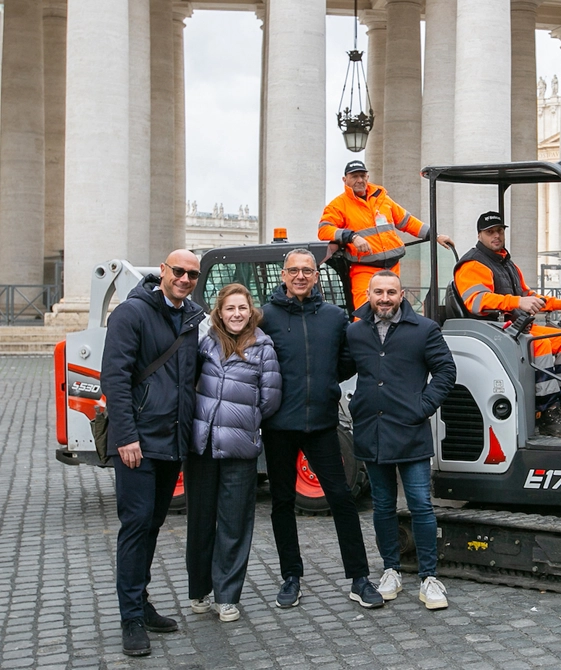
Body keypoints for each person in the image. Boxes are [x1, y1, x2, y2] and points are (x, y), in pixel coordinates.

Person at [259, 248, 384, 609]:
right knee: (282, 502)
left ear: (316, 276)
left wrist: (324, 383)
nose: (300, 276)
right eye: (293, 270)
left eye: (307, 271)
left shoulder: (333, 317)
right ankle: (291, 577)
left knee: (342, 500)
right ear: (283, 276)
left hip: (323, 424)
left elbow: (344, 363)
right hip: (279, 425)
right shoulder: (265, 317)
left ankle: (359, 579)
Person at [100, 249, 204, 657]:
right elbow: (116, 376)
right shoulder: (131, 314)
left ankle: (140, 602)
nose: (184, 278)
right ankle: (130, 618)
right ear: (162, 271)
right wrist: (125, 436)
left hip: (172, 440)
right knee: (136, 525)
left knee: (153, 524)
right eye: (178, 271)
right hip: (137, 442)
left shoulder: (192, 317)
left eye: (192, 274)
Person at [342, 271, 457, 610]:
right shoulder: (355, 331)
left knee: (421, 504)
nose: (385, 298)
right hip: (372, 431)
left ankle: (429, 577)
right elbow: (343, 368)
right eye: (378, 292)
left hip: (409, 430)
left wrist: (421, 406)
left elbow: (446, 371)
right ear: (369, 294)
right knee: (382, 505)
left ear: (402, 293)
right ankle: (390, 569)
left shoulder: (424, 329)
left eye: (391, 292)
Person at [187, 284, 282, 623]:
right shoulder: (206, 344)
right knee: (200, 521)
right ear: (220, 312)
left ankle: (227, 596)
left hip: (240, 449)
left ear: (251, 311)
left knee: (234, 523)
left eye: (242, 308)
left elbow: (270, 399)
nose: (237, 314)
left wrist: (244, 419)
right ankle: (199, 590)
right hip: (202, 446)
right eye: (230, 308)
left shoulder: (263, 347)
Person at [453, 211, 561, 438]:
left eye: (500, 231)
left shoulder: (506, 263)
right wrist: (518, 302)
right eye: (490, 232)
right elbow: (476, 302)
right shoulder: (472, 265)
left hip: (514, 327)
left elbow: (527, 295)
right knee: (539, 343)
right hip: (490, 327)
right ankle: (547, 413)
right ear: (480, 235)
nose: (496, 236)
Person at [318, 159, 454, 309]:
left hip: (392, 267)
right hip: (364, 269)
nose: (360, 180)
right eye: (355, 176)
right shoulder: (338, 205)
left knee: (394, 311)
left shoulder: (382, 199)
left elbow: (408, 222)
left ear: (367, 177)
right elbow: (324, 230)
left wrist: (435, 235)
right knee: (364, 314)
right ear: (345, 180)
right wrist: (352, 237)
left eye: (363, 176)